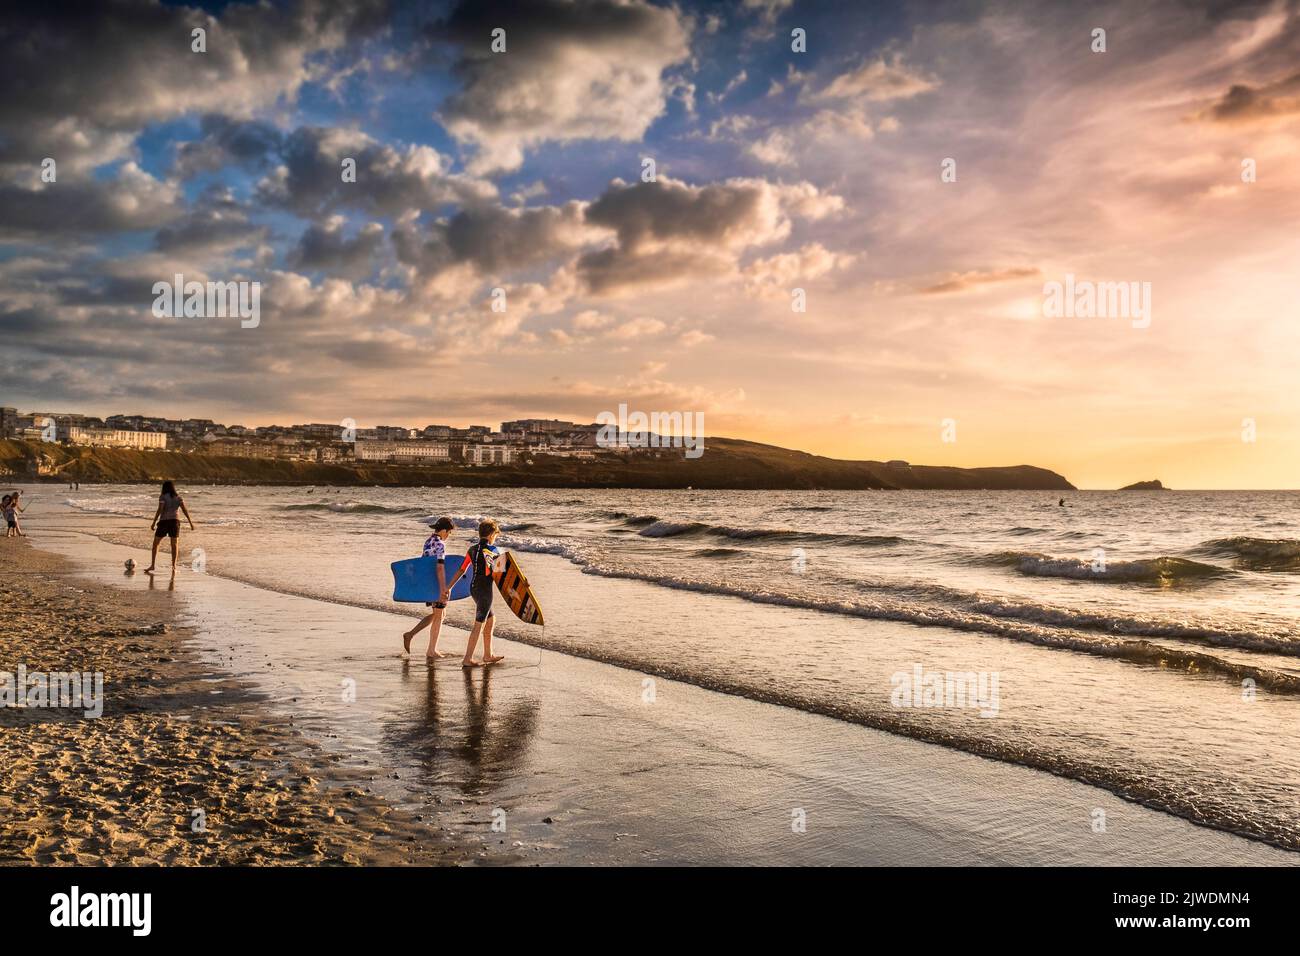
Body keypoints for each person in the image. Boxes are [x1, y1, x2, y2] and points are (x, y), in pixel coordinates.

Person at [446, 519, 504, 668]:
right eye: (495, 535)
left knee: (490, 620)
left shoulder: (471, 549)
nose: (495, 538)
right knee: (479, 624)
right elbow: (500, 575)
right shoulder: (493, 551)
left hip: (473, 588)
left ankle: (487, 654)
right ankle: (467, 659)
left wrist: (449, 587)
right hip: (485, 591)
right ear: (491, 534)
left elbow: (462, 569)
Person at [402, 517, 456, 659]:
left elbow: (423, 563)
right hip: (437, 584)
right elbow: (439, 568)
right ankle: (431, 650)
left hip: (429, 584)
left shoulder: (428, 541)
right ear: (444, 530)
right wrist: (444, 589)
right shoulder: (440, 545)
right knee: (439, 616)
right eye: (449, 532)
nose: (448, 536)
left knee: (439, 615)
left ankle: (410, 634)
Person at [145, 480, 195, 574]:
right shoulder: (178, 497)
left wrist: (153, 522)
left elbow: (160, 510)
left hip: (164, 522)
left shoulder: (163, 497)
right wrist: (190, 522)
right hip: (175, 522)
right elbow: (185, 510)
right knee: (174, 545)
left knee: (156, 543)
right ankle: (174, 567)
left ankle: (152, 565)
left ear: (164, 488)